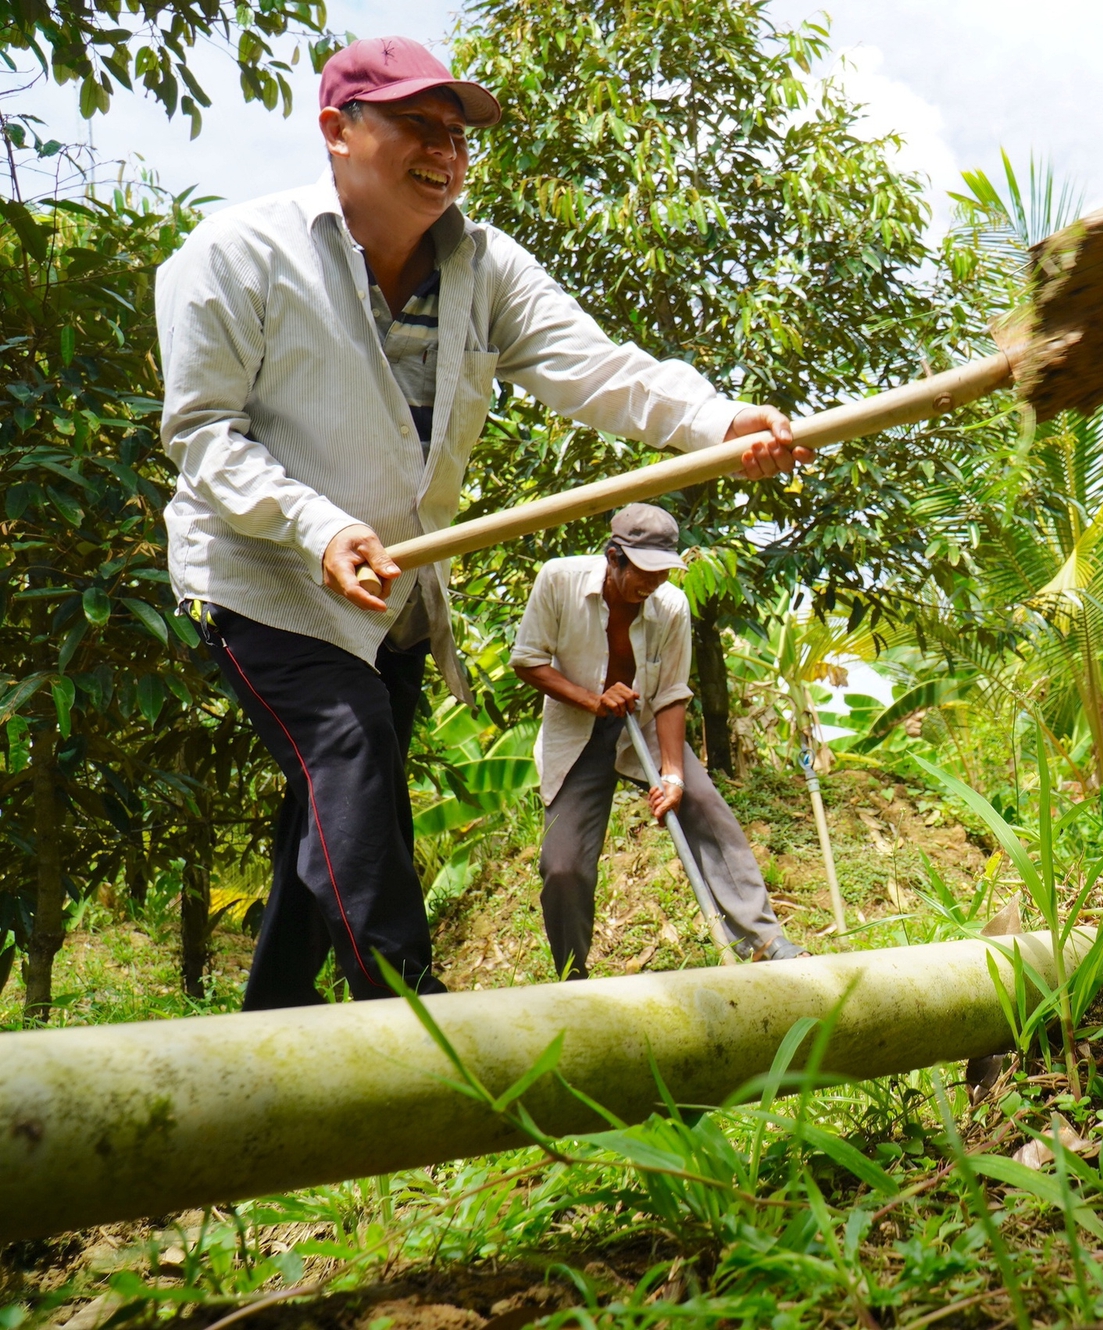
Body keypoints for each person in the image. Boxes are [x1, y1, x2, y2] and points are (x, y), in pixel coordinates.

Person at [157, 37, 809, 1010]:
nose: (445, 153)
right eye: (418, 126)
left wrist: (716, 420)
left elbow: (593, 367)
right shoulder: (235, 258)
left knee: (333, 811)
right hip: (260, 572)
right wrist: (317, 528)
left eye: (458, 136)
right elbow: (205, 436)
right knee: (350, 746)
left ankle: (263, 1040)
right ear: (338, 131)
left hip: (391, 593)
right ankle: (417, 1020)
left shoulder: (485, 267)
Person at [511, 504, 804, 974]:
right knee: (563, 866)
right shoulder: (559, 580)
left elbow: (670, 693)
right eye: (643, 572)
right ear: (613, 557)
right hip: (577, 729)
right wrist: (591, 700)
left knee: (707, 810)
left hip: (644, 722)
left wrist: (673, 774)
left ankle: (763, 940)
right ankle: (572, 975)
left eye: (662, 572)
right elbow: (527, 660)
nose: (652, 583)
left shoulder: (670, 605)